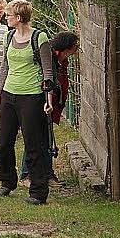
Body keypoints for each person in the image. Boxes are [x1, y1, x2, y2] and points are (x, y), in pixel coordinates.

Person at [0, 0, 55, 205]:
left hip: (31, 96)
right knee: (2, 142)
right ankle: (7, 181)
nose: (5, 17)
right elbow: (4, 66)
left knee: (33, 144)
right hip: (9, 95)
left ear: (18, 18)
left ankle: (38, 191)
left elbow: (47, 71)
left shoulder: (39, 37)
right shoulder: (8, 36)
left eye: (8, 15)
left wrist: (48, 99)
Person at [19, 31, 79, 186]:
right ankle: (26, 175)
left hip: (52, 104)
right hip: (41, 102)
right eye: (74, 47)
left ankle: (48, 174)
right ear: (66, 48)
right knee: (34, 138)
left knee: (46, 139)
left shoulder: (61, 61)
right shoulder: (48, 59)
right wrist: (48, 101)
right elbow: (46, 81)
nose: (76, 50)